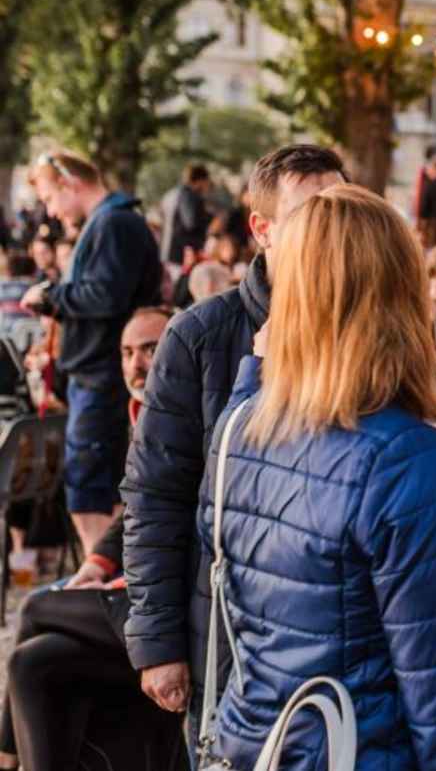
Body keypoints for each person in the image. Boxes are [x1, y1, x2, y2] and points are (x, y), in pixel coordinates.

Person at [196, 184, 436, 770]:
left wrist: (255, 375)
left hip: (256, 744)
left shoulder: (238, 427)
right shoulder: (411, 462)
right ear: (399, 296)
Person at [121, 144, 347, 748]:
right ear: (262, 229)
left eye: (340, 210)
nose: (329, 230)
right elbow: (155, 494)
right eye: (309, 214)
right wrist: (159, 641)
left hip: (337, 639)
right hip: (226, 634)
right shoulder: (199, 335)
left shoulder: (368, 330)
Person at [0, 307, 183, 771]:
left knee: (37, 606)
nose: (136, 363)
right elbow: (137, 517)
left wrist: (117, 584)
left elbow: (167, 524)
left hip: (170, 611)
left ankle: (3, 759)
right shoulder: (144, 412)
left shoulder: (186, 417)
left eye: (149, 349)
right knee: (29, 661)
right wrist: (96, 567)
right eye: (126, 352)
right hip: (143, 599)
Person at [21, 152, 163, 554]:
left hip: (100, 373)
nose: (50, 211)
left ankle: (97, 585)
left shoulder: (113, 223)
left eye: (50, 198)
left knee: (87, 485)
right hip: (99, 371)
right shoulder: (112, 222)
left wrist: (51, 297)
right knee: (99, 483)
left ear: (70, 184)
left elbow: (104, 295)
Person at [165, 165, 213, 267]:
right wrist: (209, 219)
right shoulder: (189, 195)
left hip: (175, 253)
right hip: (182, 254)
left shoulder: (178, 194)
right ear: (201, 180)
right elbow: (191, 222)